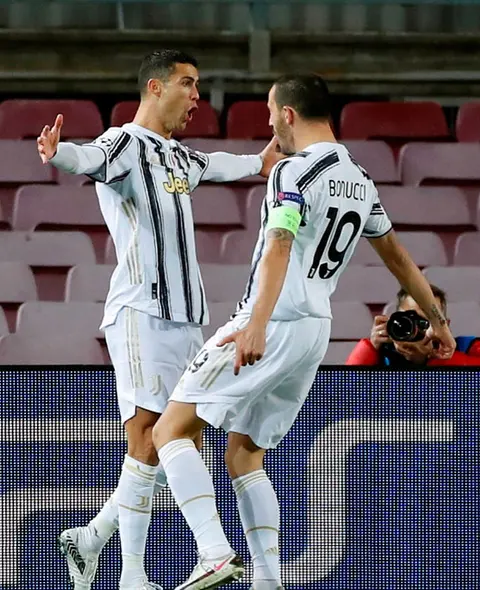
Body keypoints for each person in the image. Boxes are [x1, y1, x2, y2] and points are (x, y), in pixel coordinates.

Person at [150, 73, 456, 590]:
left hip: (273, 320)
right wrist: (442, 325)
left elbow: (279, 247)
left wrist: (256, 326)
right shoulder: (360, 180)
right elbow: (399, 259)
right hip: (316, 329)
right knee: (244, 452)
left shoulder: (292, 172)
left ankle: (213, 552)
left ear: (288, 114)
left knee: (169, 430)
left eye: (271, 112)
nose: (269, 122)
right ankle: (269, 581)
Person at [36, 50, 283, 590]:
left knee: (177, 441)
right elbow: (89, 158)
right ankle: (136, 572)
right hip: (140, 310)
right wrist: (59, 155)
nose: (198, 97)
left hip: (186, 316)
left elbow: (213, 165)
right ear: (155, 87)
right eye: (189, 85)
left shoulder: (173, 157)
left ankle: (96, 541)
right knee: (147, 432)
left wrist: (258, 165)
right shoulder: (123, 144)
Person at [346, 284, 480, 366]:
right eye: (408, 318)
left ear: (445, 326)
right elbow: (342, 393)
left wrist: (437, 359)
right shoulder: (381, 352)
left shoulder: (466, 347)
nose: (416, 327)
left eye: (424, 321)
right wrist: (369, 349)